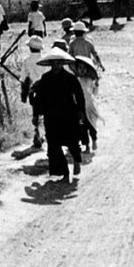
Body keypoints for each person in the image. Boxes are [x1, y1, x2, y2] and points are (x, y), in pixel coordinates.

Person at [30, 47, 86, 182]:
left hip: (69, 115)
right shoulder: (46, 78)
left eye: (58, 63)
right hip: (51, 115)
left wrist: (81, 111)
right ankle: (64, 172)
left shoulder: (70, 78)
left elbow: (79, 95)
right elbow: (39, 98)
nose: (56, 65)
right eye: (53, 63)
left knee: (72, 141)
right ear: (50, 64)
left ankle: (76, 161)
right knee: (54, 144)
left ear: (62, 64)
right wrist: (36, 115)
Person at [20, 36, 49, 149]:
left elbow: (23, 79)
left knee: (36, 113)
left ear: (30, 48)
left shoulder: (27, 61)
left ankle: (37, 134)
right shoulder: (46, 59)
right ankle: (45, 134)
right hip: (46, 90)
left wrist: (23, 93)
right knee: (47, 113)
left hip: (34, 91)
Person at [74, 56, 101, 153]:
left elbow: (95, 93)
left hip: (90, 106)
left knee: (91, 125)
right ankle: (87, 146)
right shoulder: (76, 80)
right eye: (79, 68)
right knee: (82, 127)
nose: (81, 70)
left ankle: (94, 140)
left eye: (83, 68)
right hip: (80, 107)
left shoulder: (90, 80)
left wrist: (97, 85)